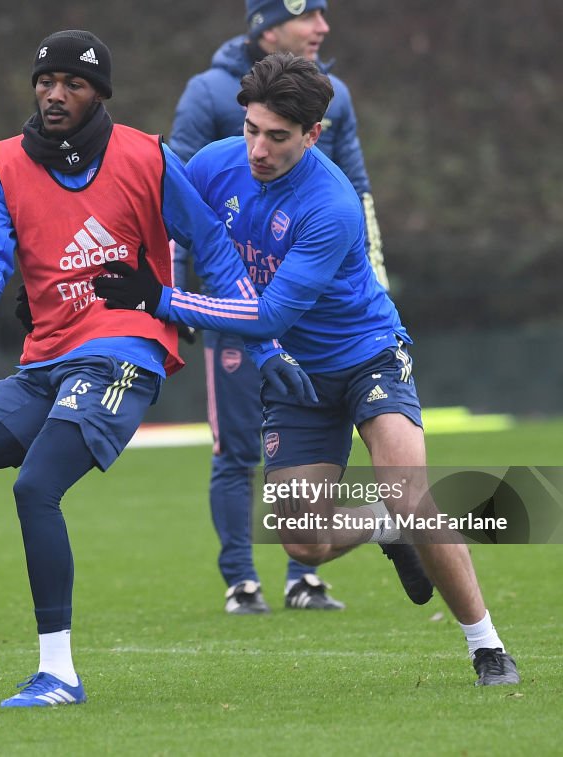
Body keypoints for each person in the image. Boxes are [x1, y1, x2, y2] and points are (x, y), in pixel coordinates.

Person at [0, 30, 317, 709]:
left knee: (36, 488)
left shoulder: (144, 156)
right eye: (46, 81)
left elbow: (213, 246)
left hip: (124, 351)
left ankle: (58, 673)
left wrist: (265, 347)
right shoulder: (0, 165)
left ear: (99, 95)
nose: (56, 94)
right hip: (43, 365)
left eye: (74, 84)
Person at [94, 52, 520, 686]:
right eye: (251, 129)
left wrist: (158, 298)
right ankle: (382, 525)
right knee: (302, 543)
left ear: (313, 134)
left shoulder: (331, 205)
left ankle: (487, 648)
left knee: (411, 492)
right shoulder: (215, 164)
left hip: (367, 354)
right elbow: (151, 217)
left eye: (277, 136)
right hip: (295, 375)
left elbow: (264, 315)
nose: (258, 149)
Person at [168, 0, 395, 614]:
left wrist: (373, 277)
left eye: (324, 16)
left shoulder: (333, 99)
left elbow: (357, 189)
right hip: (224, 310)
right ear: (269, 28)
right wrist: (179, 293)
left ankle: (304, 575)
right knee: (235, 446)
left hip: (307, 312)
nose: (323, 28)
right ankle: (241, 578)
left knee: (312, 465)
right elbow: (172, 200)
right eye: (308, 16)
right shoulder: (209, 92)